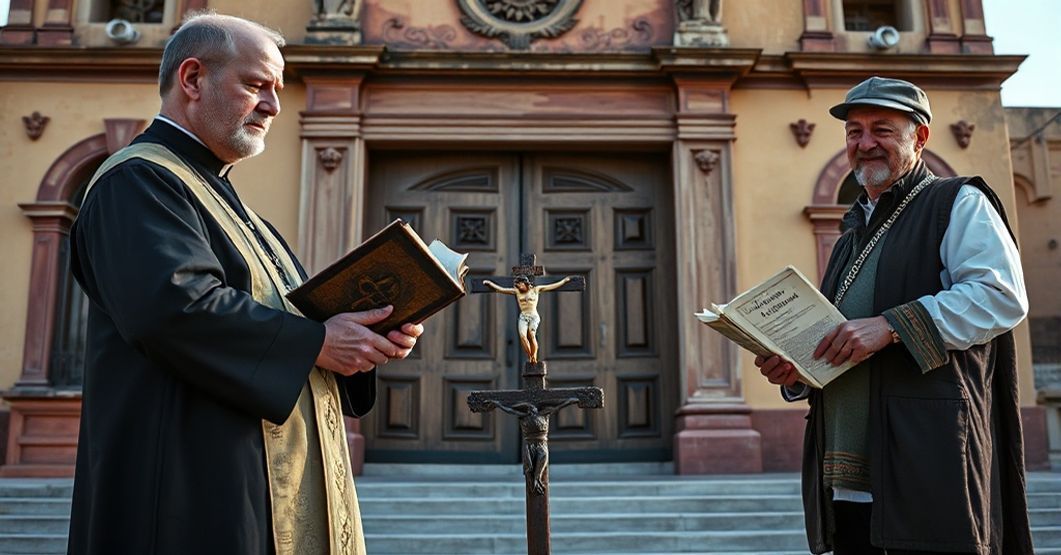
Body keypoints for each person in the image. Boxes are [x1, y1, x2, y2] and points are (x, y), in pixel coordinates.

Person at [66, 12, 423, 554]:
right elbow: (172, 309)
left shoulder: (228, 201)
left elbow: (291, 319)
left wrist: (362, 337)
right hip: (191, 488)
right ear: (192, 79)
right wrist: (321, 343)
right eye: (256, 85)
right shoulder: (136, 180)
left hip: (250, 477)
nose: (274, 106)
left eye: (277, 90)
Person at [755, 76, 1034, 554]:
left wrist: (891, 326)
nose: (864, 144)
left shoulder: (957, 202)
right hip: (845, 472)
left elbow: (1000, 296)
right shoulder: (849, 237)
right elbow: (841, 338)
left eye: (881, 130)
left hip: (924, 458)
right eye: (854, 132)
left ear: (919, 136)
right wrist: (798, 370)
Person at [482, 275, 571, 363]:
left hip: (533, 316)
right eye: (517, 285)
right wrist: (490, 283)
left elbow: (551, 286)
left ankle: (534, 356)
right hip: (523, 317)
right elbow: (501, 289)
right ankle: (530, 356)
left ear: (525, 283)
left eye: (520, 285)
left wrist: (564, 281)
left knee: (532, 335)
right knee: (523, 337)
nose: (519, 287)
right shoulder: (517, 292)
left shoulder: (536, 290)